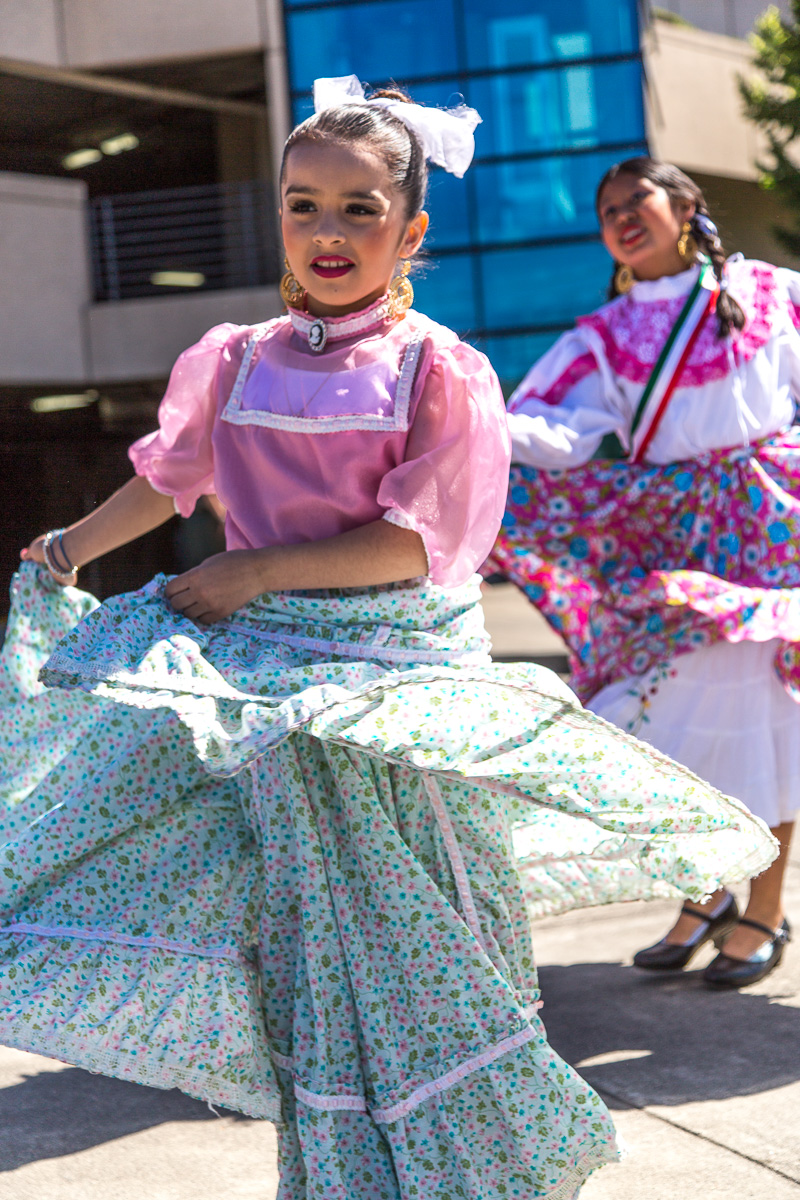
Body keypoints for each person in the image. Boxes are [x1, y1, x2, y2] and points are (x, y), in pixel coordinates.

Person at [0, 97, 774, 1199]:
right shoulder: (233, 358)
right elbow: (170, 478)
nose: (328, 230)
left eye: (359, 209)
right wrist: (67, 550)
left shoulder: (438, 370)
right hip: (267, 689)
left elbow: (417, 546)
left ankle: (484, 1169)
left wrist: (252, 570)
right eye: (303, 205)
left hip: (393, 680)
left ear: (409, 233)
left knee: (425, 935)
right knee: (314, 955)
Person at [490, 155, 798, 991]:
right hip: (674, 535)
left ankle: (765, 908)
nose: (624, 216)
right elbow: (550, 433)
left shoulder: (771, 290)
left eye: (639, 200)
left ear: (688, 206)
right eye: (608, 209)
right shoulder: (601, 334)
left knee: (763, 719)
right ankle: (703, 898)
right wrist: (459, 406)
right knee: (678, 736)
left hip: (773, 524)